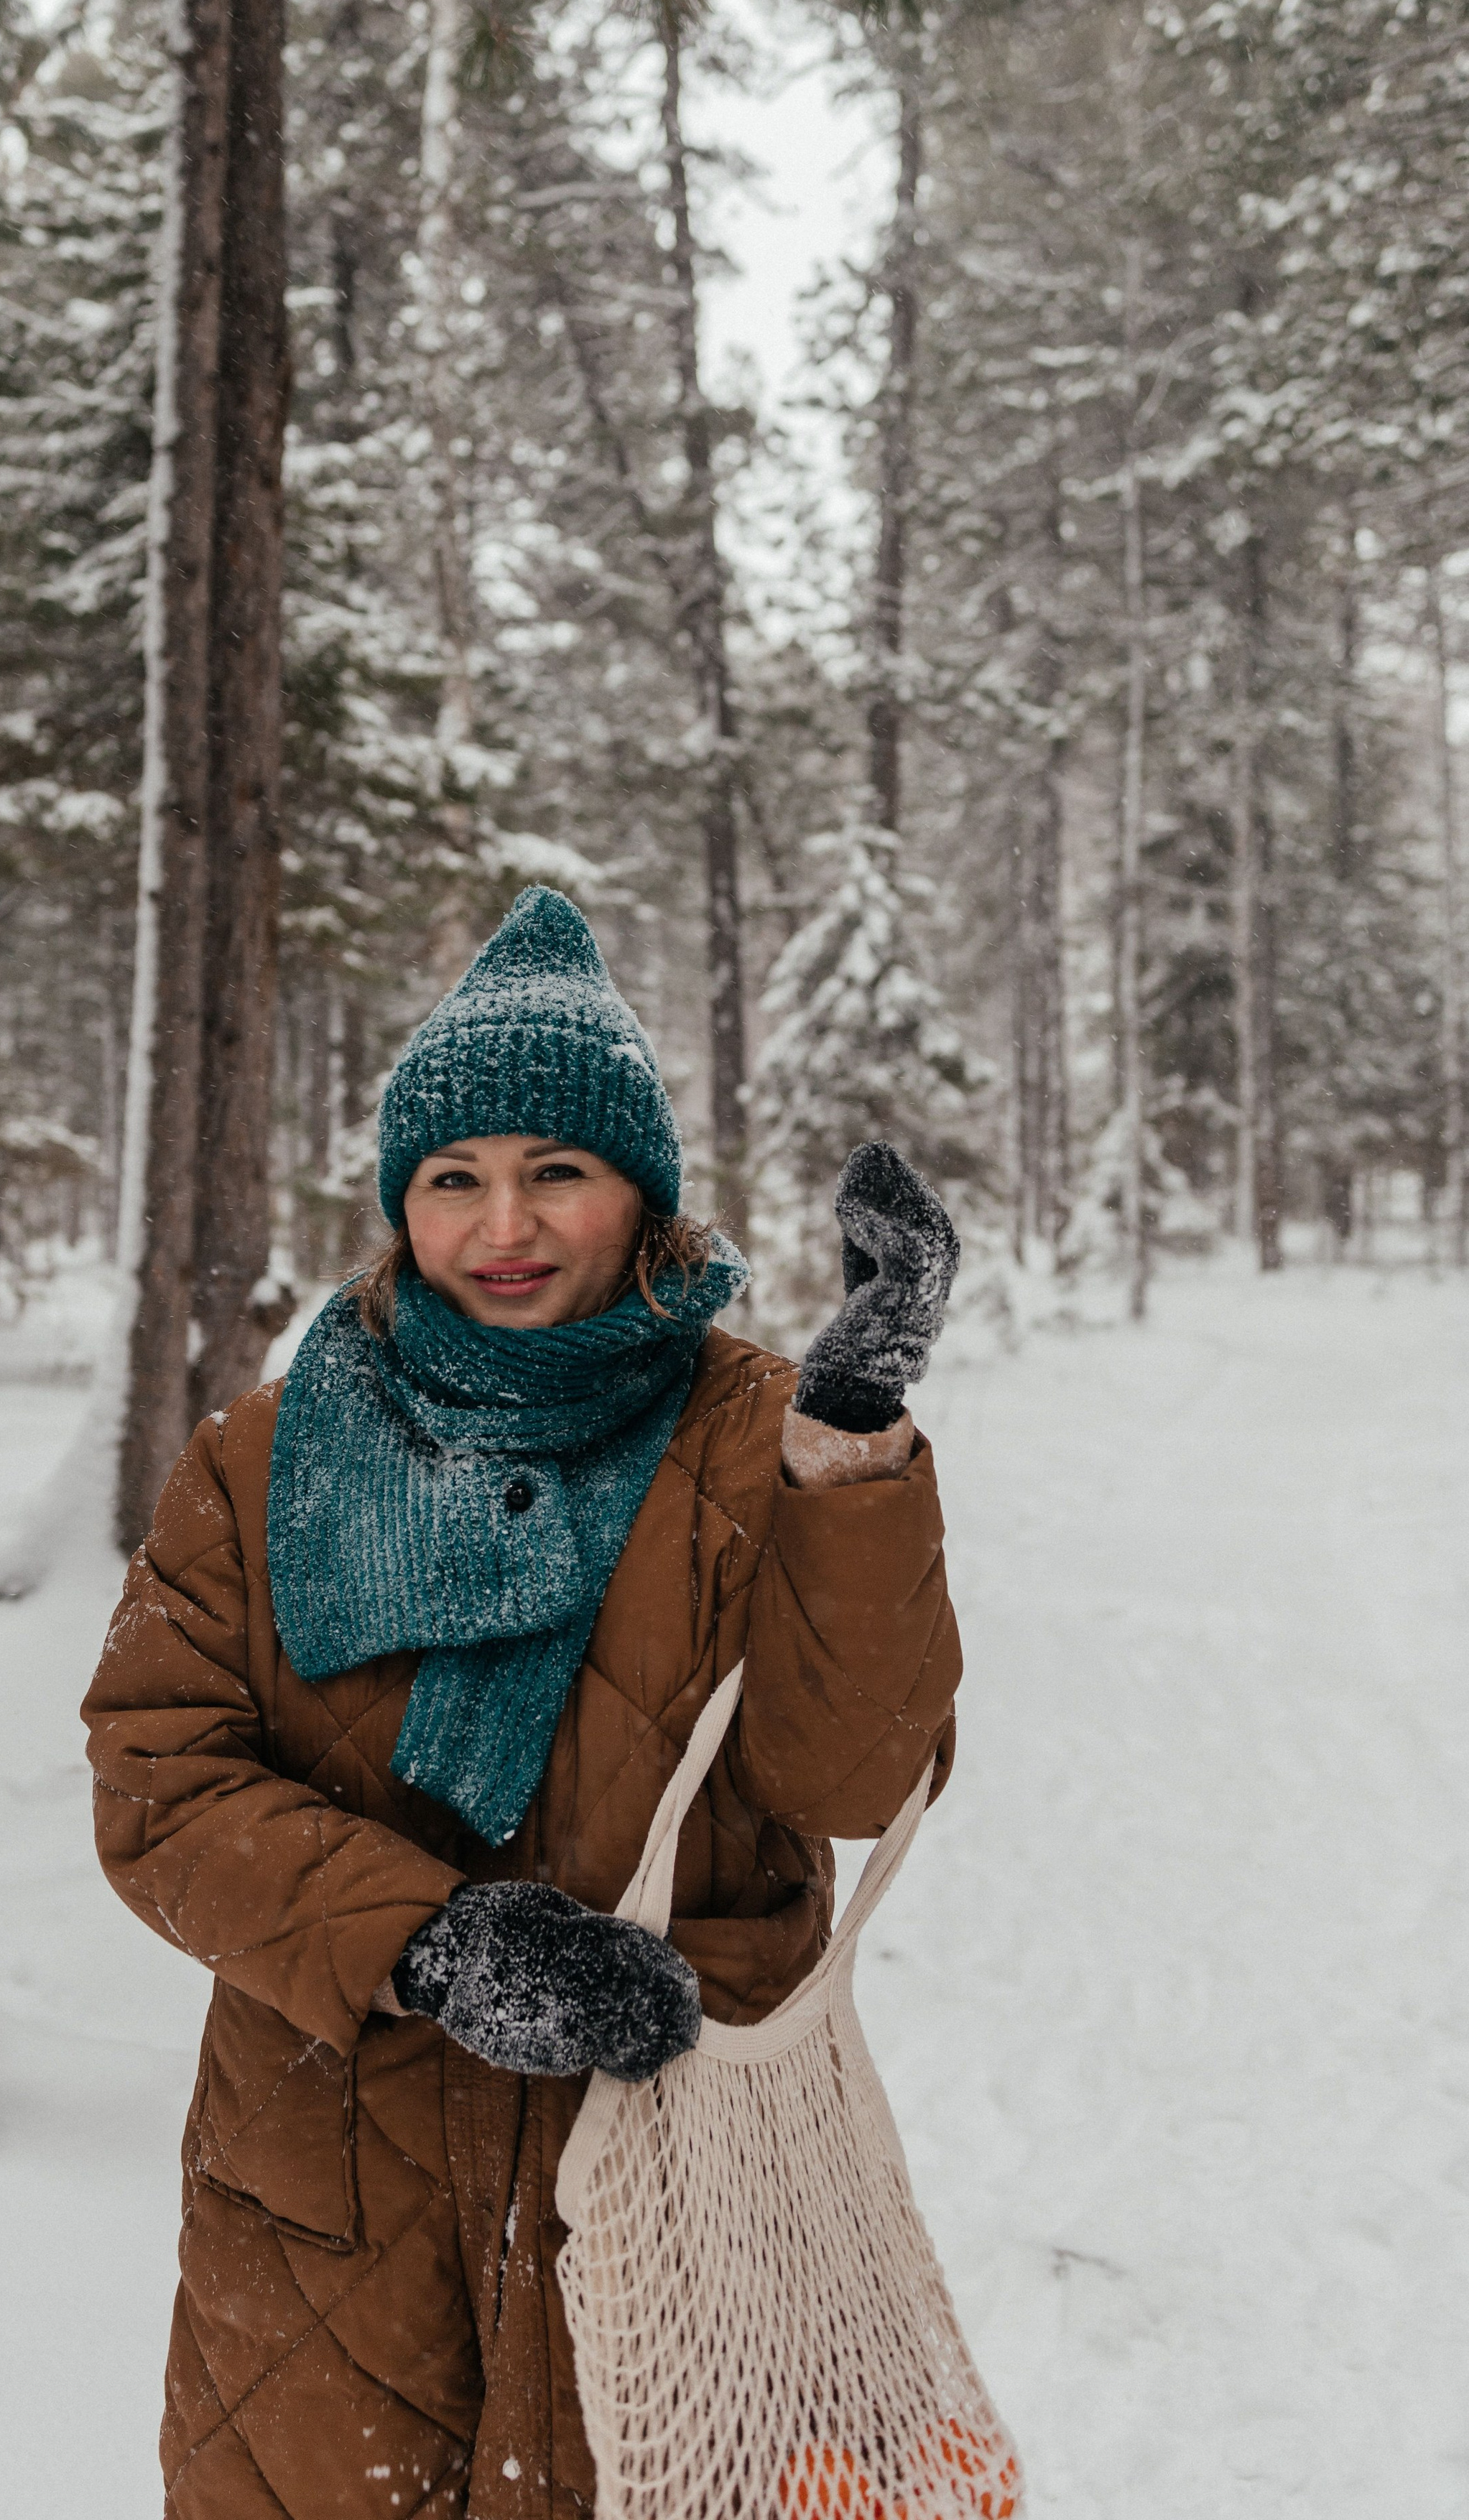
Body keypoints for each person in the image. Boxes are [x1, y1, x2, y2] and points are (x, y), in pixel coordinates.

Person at [83, 886, 963, 2520]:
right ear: (397, 1204)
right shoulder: (264, 1456)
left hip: (679, 2172)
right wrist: (425, 1938)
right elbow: (157, 1784)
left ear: (640, 1195)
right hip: (337, 2215)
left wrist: (849, 1453)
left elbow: (850, 1775)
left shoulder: (760, 1436)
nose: (505, 1225)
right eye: (453, 1179)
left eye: (555, 1170)